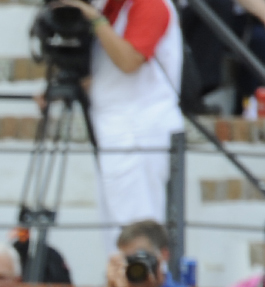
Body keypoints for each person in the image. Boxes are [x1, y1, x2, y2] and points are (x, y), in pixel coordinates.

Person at [49, 0, 184, 236]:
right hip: (115, 128)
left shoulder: (150, 4)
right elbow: (106, 74)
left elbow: (129, 61)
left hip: (138, 131)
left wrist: (95, 19)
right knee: (116, 229)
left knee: (138, 228)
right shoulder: (112, 7)